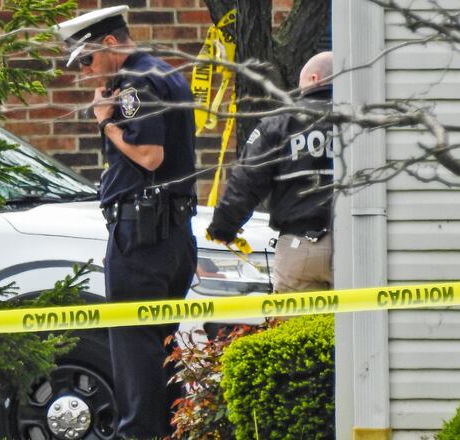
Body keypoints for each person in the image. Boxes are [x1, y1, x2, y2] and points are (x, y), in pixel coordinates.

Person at [55, 6, 198, 438]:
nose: (84, 71)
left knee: (134, 348)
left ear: (110, 44)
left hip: (141, 234)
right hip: (168, 234)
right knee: (160, 348)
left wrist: (106, 122)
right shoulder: (164, 73)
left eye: (87, 59)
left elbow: (149, 155)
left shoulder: (138, 81)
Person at [206, 51, 335, 293]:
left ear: (314, 78)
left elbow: (247, 180)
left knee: (295, 329)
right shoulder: (361, 120)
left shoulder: (281, 122)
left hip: (300, 247)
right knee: (361, 326)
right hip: (356, 244)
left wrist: (223, 227)